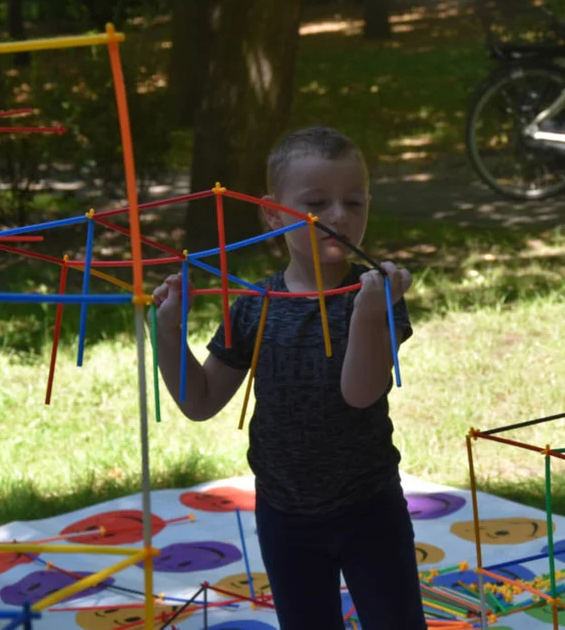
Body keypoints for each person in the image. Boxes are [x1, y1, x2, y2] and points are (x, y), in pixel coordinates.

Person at [153, 126, 425, 629]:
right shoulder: (255, 305)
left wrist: (369, 314)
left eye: (354, 201)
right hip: (283, 513)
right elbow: (201, 401)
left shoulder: (377, 296)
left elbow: (360, 393)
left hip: (369, 508)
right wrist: (167, 334)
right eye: (317, 204)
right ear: (273, 212)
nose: (340, 217)